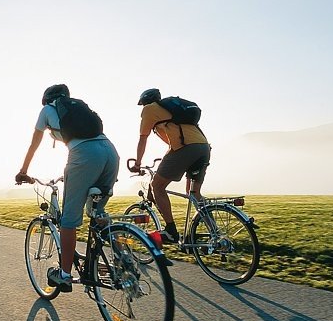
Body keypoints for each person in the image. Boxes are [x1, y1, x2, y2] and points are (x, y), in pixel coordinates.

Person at [16, 84, 119, 292]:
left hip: (84, 155)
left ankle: (64, 275)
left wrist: (23, 171)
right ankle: (122, 259)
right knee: (97, 213)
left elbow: (34, 144)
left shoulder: (47, 110)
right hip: (110, 152)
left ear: (46, 99)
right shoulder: (79, 109)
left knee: (69, 221)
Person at [129, 88, 211, 246]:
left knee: (157, 186)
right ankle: (214, 233)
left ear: (145, 102)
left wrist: (137, 163)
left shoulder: (149, 109)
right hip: (204, 148)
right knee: (194, 193)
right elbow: (173, 143)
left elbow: (142, 139)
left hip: (187, 148)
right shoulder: (171, 113)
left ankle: (171, 232)